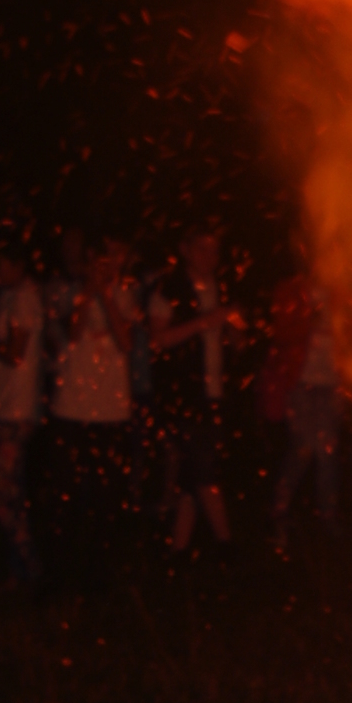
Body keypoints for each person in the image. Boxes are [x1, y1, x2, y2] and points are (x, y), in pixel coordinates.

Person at [43, 232, 138, 588]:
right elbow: (71, 332)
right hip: (72, 408)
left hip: (112, 410)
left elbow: (125, 340)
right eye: (103, 258)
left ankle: (101, 575)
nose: (109, 264)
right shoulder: (68, 291)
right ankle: (62, 573)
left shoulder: (127, 293)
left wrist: (107, 295)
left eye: (115, 257)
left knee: (107, 495)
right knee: (67, 493)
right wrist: (88, 291)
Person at [146, 228, 233, 555]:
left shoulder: (221, 286)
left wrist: (234, 331)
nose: (209, 257)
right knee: (203, 471)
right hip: (184, 395)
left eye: (214, 250)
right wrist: (205, 321)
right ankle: (227, 546)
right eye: (202, 249)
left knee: (191, 475)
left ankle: (177, 551)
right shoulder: (169, 287)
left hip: (214, 392)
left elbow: (227, 335)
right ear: (185, 249)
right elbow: (159, 339)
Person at [0, 233, 44, 589]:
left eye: (0, 262)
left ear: (19, 265)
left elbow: (15, 352)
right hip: (3, 407)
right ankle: (17, 570)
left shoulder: (23, 298)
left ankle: (31, 563)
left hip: (15, 411)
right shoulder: (8, 296)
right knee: (10, 492)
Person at [266, 275, 342, 554]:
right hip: (300, 383)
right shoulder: (291, 291)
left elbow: (350, 339)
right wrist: (309, 322)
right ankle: (279, 512)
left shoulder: (340, 293)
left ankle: (328, 517)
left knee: (328, 453)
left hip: (330, 385)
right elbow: (279, 333)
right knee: (302, 448)